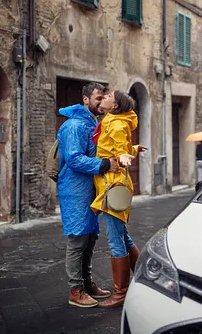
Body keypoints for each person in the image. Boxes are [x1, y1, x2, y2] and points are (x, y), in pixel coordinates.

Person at [57, 82, 120, 308]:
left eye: (104, 97)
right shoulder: (74, 125)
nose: (102, 102)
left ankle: (87, 282)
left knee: (90, 238)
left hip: (89, 190)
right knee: (77, 239)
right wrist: (104, 164)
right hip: (75, 190)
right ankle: (75, 290)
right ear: (85, 99)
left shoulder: (93, 122)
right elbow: (73, 159)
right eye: (98, 98)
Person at [90, 90, 147, 307]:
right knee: (123, 236)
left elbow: (120, 149)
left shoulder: (115, 124)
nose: (103, 97)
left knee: (115, 240)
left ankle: (120, 293)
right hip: (114, 185)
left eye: (107, 96)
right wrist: (132, 149)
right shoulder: (114, 121)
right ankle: (145, 278)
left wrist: (125, 155)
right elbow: (119, 146)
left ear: (114, 106)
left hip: (112, 187)